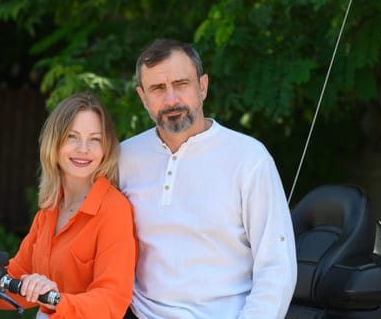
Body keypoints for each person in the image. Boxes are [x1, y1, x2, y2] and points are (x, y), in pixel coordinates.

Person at [119, 39, 297, 318]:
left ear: (202, 86)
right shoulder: (124, 157)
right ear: (143, 97)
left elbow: (277, 265)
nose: (171, 99)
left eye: (181, 84)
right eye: (157, 88)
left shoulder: (249, 157)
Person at [0, 92, 137, 318]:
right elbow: (15, 277)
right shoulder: (49, 209)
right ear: (55, 143)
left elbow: (111, 300)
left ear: (106, 147)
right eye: (72, 136)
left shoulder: (113, 210)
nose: (84, 148)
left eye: (95, 139)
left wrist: (55, 300)